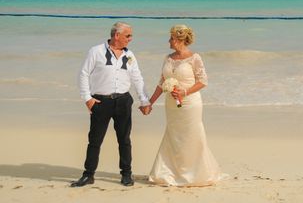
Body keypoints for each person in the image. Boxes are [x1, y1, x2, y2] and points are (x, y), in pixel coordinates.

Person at [71, 22, 151, 188]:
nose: (131, 39)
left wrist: (144, 100)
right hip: (101, 102)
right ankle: (88, 175)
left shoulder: (130, 55)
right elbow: (83, 74)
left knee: (124, 139)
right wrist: (87, 98)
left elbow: (137, 78)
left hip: (123, 101)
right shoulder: (96, 51)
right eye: (128, 35)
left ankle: (127, 174)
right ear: (117, 35)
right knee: (95, 139)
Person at [148, 24, 222, 186]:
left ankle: (195, 173)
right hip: (171, 105)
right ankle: (171, 173)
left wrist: (184, 92)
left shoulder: (194, 58)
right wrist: (150, 103)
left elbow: (203, 81)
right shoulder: (168, 58)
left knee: (192, 135)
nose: (169, 41)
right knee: (174, 136)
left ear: (180, 40)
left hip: (190, 104)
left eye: (171, 38)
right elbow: (161, 83)